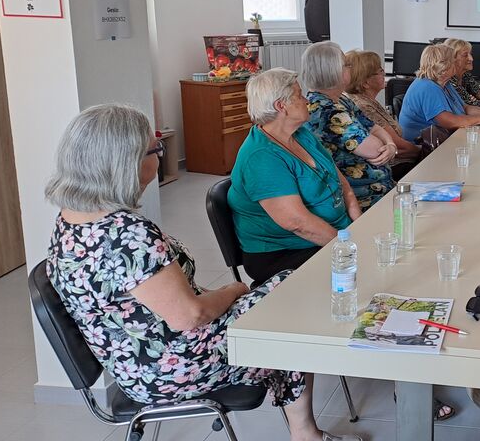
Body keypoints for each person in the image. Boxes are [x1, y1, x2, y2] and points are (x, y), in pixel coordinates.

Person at [44, 104, 360, 441]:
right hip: (171, 368)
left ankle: (305, 430)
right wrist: (234, 291)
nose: (160, 157)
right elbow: (189, 316)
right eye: (156, 150)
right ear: (126, 163)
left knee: (282, 293)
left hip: (137, 365)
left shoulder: (70, 222)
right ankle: (306, 432)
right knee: (287, 300)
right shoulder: (126, 234)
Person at [228, 68, 362, 285]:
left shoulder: (301, 134)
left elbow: (340, 182)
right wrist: (347, 249)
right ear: (281, 106)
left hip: (334, 236)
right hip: (287, 250)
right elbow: (298, 223)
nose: (306, 100)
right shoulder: (261, 157)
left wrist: (359, 224)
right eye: (299, 95)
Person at [302, 42, 397, 210]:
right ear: (332, 70)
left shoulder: (340, 99)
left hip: (379, 189)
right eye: (346, 65)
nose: (350, 69)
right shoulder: (328, 110)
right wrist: (387, 146)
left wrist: (390, 144)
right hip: (361, 198)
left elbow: (374, 127)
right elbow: (375, 150)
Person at [398, 44, 480, 141]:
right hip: (422, 147)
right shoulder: (427, 87)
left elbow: (464, 108)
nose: (457, 63)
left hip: (442, 140)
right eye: (454, 60)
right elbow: (449, 122)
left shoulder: (445, 83)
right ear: (443, 66)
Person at [344, 49, 421, 176]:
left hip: (399, 164)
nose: (384, 73)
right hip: (391, 169)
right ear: (366, 83)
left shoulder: (367, 100)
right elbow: (398, 145)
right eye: (380, 71)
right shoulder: (363, 106)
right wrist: (425, 151)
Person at [443, 38, 480, 107]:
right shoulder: (449, 80)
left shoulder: (466, 75)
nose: (471, 59)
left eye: (470, 54)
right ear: (452, 58)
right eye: (465, 55)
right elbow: (470, 107)